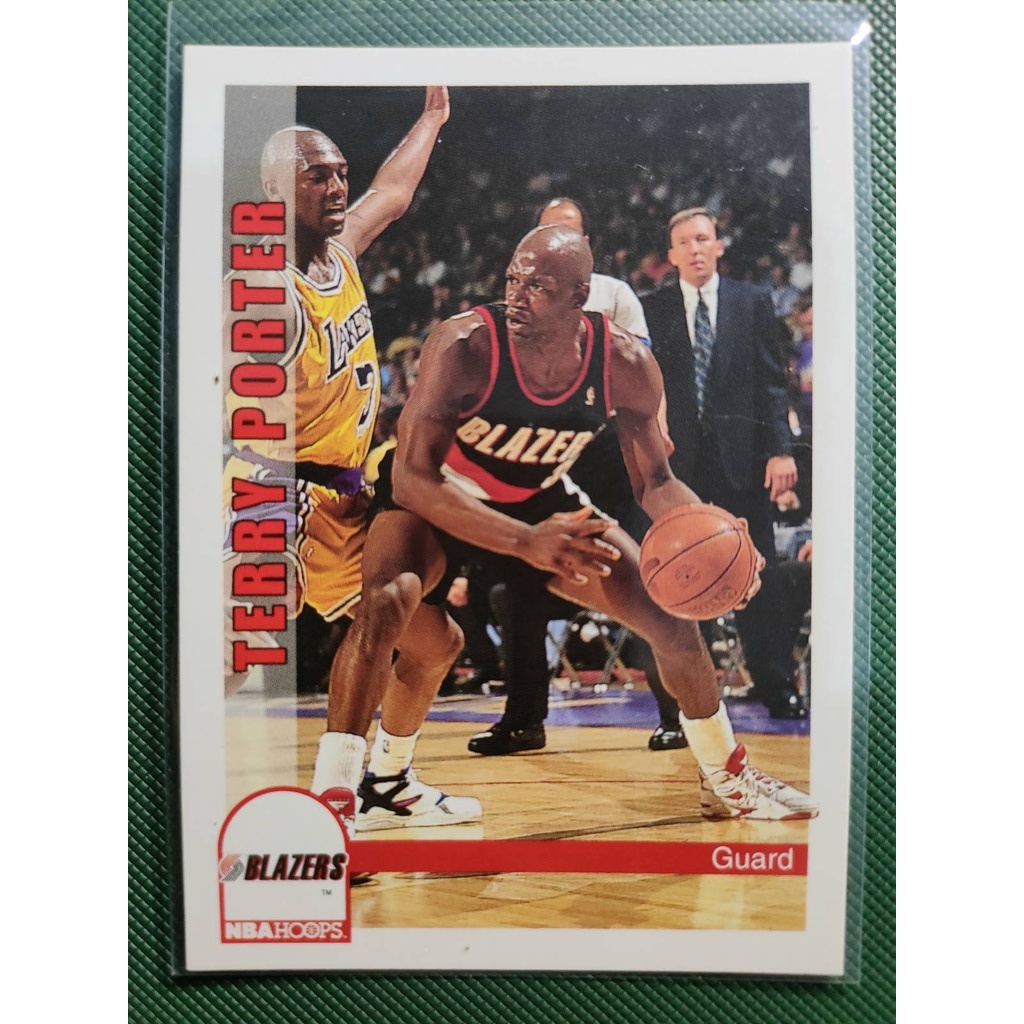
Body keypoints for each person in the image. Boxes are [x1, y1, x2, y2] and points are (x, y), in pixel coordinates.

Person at [312, 224, 818, 823]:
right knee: (389, 602)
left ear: (580, 295)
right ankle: (337, 798)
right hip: (438, 498)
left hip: (534, 497)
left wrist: (723, 533)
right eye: (513, 280)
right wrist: (524, 541)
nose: (517, 295)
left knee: (668, 620)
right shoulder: (465, 344)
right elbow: (411, 479)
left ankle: (726, 780)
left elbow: (655, 484)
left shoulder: (625, 362)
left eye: (538, 287)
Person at [224, 89, 481, 830]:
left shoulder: (337, 254)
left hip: (341, 498)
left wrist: (432, 120)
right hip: (269, 492)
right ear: (273, 190)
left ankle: (386, 783)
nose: (337, 187)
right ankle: (156, 791)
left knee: (435, 642)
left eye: (340, 172)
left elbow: (391, 194)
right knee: (235, 657)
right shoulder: (265, 292)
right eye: (317, 176)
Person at [467, 197, 683, 754]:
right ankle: (524, 720)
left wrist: (657, 434)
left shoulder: (615, 293)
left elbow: (644, 375)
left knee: (648, 574)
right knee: (519, 583)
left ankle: (676, 712)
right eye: (544, 230)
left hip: (607, 442)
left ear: (586, 244)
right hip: (548, 446)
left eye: (566, 231)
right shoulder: (521, 296)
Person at [642, 208, 807, 719]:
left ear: (718, 246)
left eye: (703, 238)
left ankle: (777, 685)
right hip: (677, 467)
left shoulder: (751, 300)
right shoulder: (652, 308)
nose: (695, 249)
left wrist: (780, 449)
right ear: (671, 255)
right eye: (685, 242)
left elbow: (772, 382)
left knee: (757, 573)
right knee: (680, 578)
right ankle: (679, 706)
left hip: (743, 460)